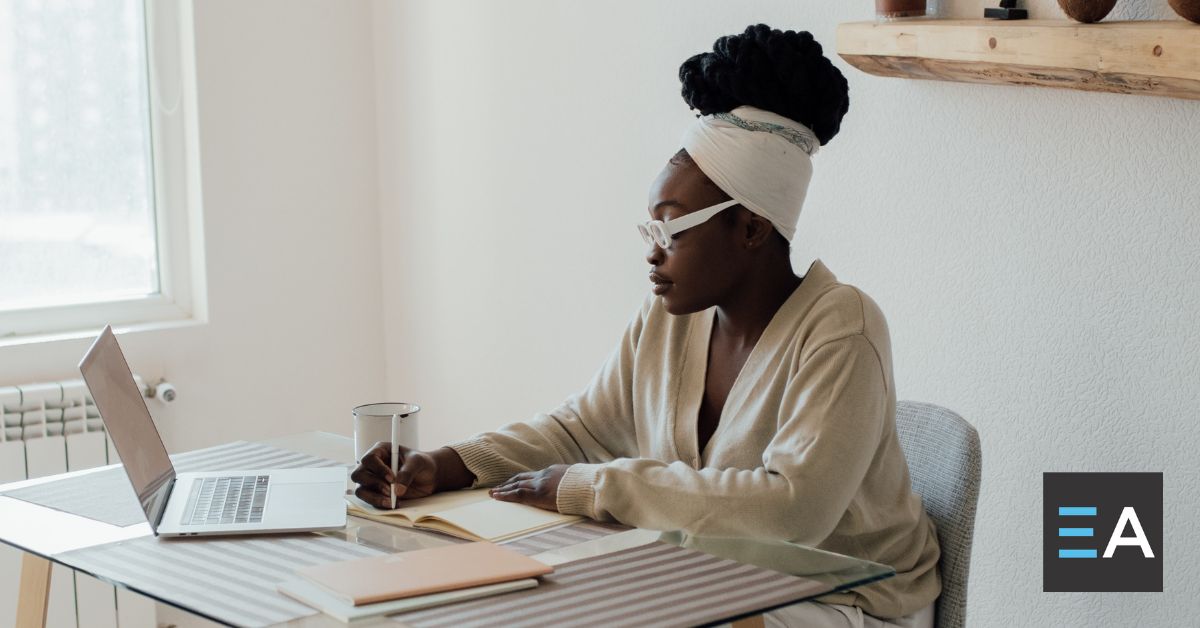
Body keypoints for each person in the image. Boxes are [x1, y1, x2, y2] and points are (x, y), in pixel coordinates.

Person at [352, 24, 940, 628]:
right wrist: (444, 464)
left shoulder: (842, 328)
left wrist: (594, 487)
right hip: (725, 577)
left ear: (752, 229)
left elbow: (793, 512)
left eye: (673, 227)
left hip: (850, 599)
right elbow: (580, 430)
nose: (653, 252)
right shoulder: (669, 321)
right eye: (650, 228)